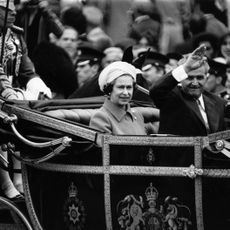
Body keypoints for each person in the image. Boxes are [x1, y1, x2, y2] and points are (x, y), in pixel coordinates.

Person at [150, 45, 229, 230]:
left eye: (199, 77)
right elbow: (155, 91)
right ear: (181, 79)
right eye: (189, 77)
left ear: (207, 77)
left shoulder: (216, 101)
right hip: (179, 177)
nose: (194, 82)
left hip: (214, 178)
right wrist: (184, 67)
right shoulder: (171, 98)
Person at [0, 0, 51, 201]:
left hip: (11, 92)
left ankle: (20, 178)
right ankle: (5, 182)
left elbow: (27, 70)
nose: (12, 12)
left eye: (13, 8)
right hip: (3, 92)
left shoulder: (16, 36)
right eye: (6, 8)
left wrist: (39, 87)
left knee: (24, 119)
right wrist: (6, 92)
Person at [89, 61, 159, 137]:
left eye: (129, 87)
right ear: (109, 90)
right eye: (121, 87)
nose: (126, 92)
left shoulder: (137, 115)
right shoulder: (101, 117)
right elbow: (104, 147)